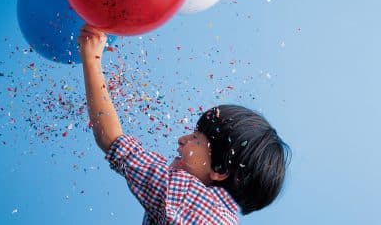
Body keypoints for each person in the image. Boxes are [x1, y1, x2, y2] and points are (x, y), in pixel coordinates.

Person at [78, 25, 291, 224]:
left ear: (220, 170)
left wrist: (91, 57)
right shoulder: (220, 216)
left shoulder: (188, 199)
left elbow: (114, 142)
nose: (182, 139)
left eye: (196, 139)